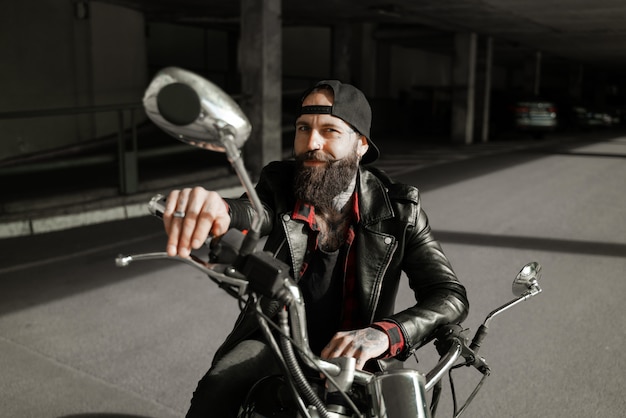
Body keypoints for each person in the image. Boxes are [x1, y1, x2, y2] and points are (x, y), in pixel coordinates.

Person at [161, 80, 469, 417]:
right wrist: (218, 209)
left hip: (360, 355)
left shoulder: (399, 211)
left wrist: (384, 334)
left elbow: (448, 293)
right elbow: (252, 212)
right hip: (276, 341)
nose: (312, 143)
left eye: (330, 130)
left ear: (361, 145)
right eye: (303, 128)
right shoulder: (279, 185)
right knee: (219, 386)